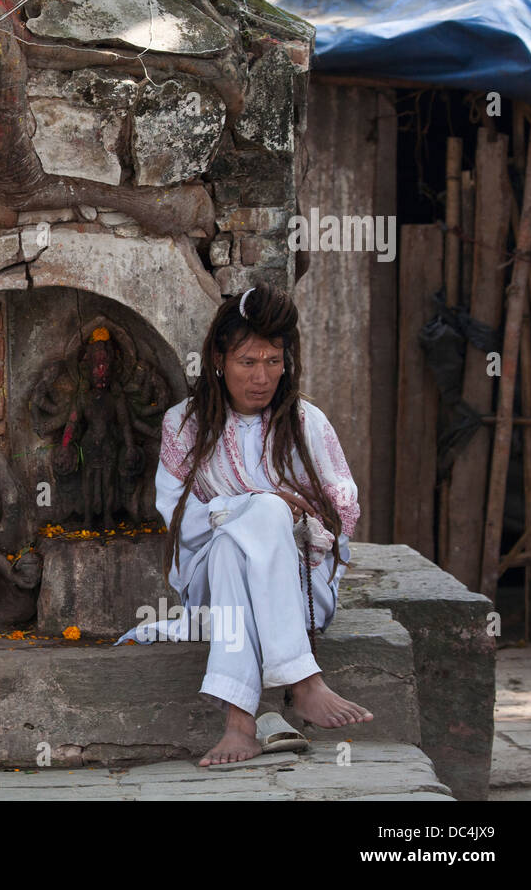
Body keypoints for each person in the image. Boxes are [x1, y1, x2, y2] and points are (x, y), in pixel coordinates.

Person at [152, 282, 373, 766]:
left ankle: (238, 724)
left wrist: (279, 518)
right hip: (210, 585)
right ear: (218, 359)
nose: (262, 377)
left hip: (299, 587)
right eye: (247, 362)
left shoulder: (304, 422)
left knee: (240, 542)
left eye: (273, 361)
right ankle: (304, 680)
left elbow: (341, 510)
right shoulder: (183, 425)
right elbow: (177, 519)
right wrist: (257, 505)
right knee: (256, 519)